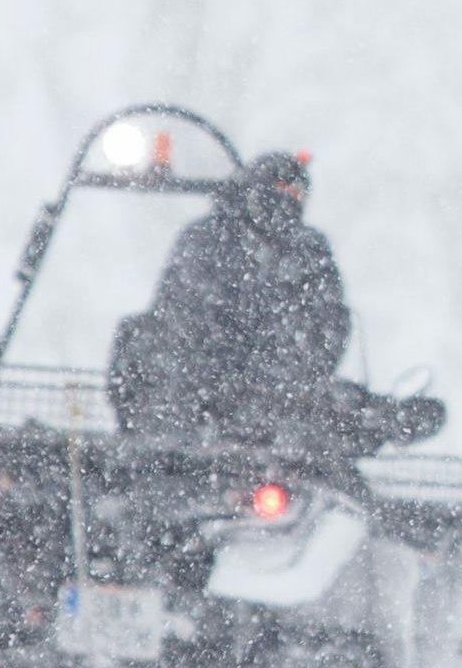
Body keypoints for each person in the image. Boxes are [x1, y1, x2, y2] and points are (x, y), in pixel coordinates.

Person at [110, 153, 440, 449]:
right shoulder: (210, 240)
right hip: (210, 397)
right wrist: (238, 373)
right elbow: (186, 315)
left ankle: (375, 419)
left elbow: (328, 325)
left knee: (324, 415)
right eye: (283, 190)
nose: (290, 201)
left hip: (271, 401)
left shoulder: (307, 250)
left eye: (298, 194)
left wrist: (294, 375)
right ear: (256, 190)